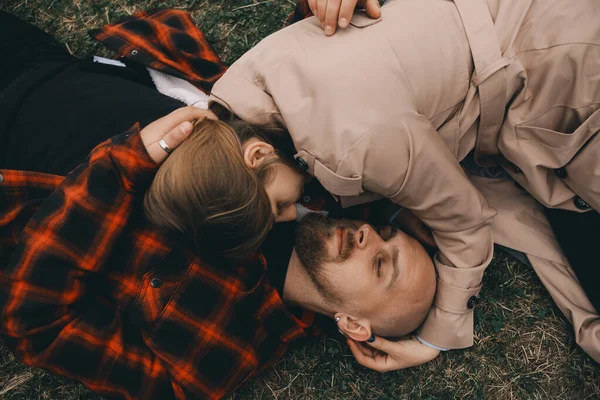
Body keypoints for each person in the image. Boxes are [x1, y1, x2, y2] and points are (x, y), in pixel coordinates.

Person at [0, 10, 437, 399]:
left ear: (354, 325)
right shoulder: (331, 188)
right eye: (386, 234)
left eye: (381, 266)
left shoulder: (212, 362)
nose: (368, 235)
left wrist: (122, 170)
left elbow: (37, 325)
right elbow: (314, 70)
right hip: (41, 62)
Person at [208, 0, 600, 365]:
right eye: (384, 233)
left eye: (277, 207)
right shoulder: (242, 102)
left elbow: (463, 222)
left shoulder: (349, 148)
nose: (291, 212)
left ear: (257, 155)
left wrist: (437, 337)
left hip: (556, 59)